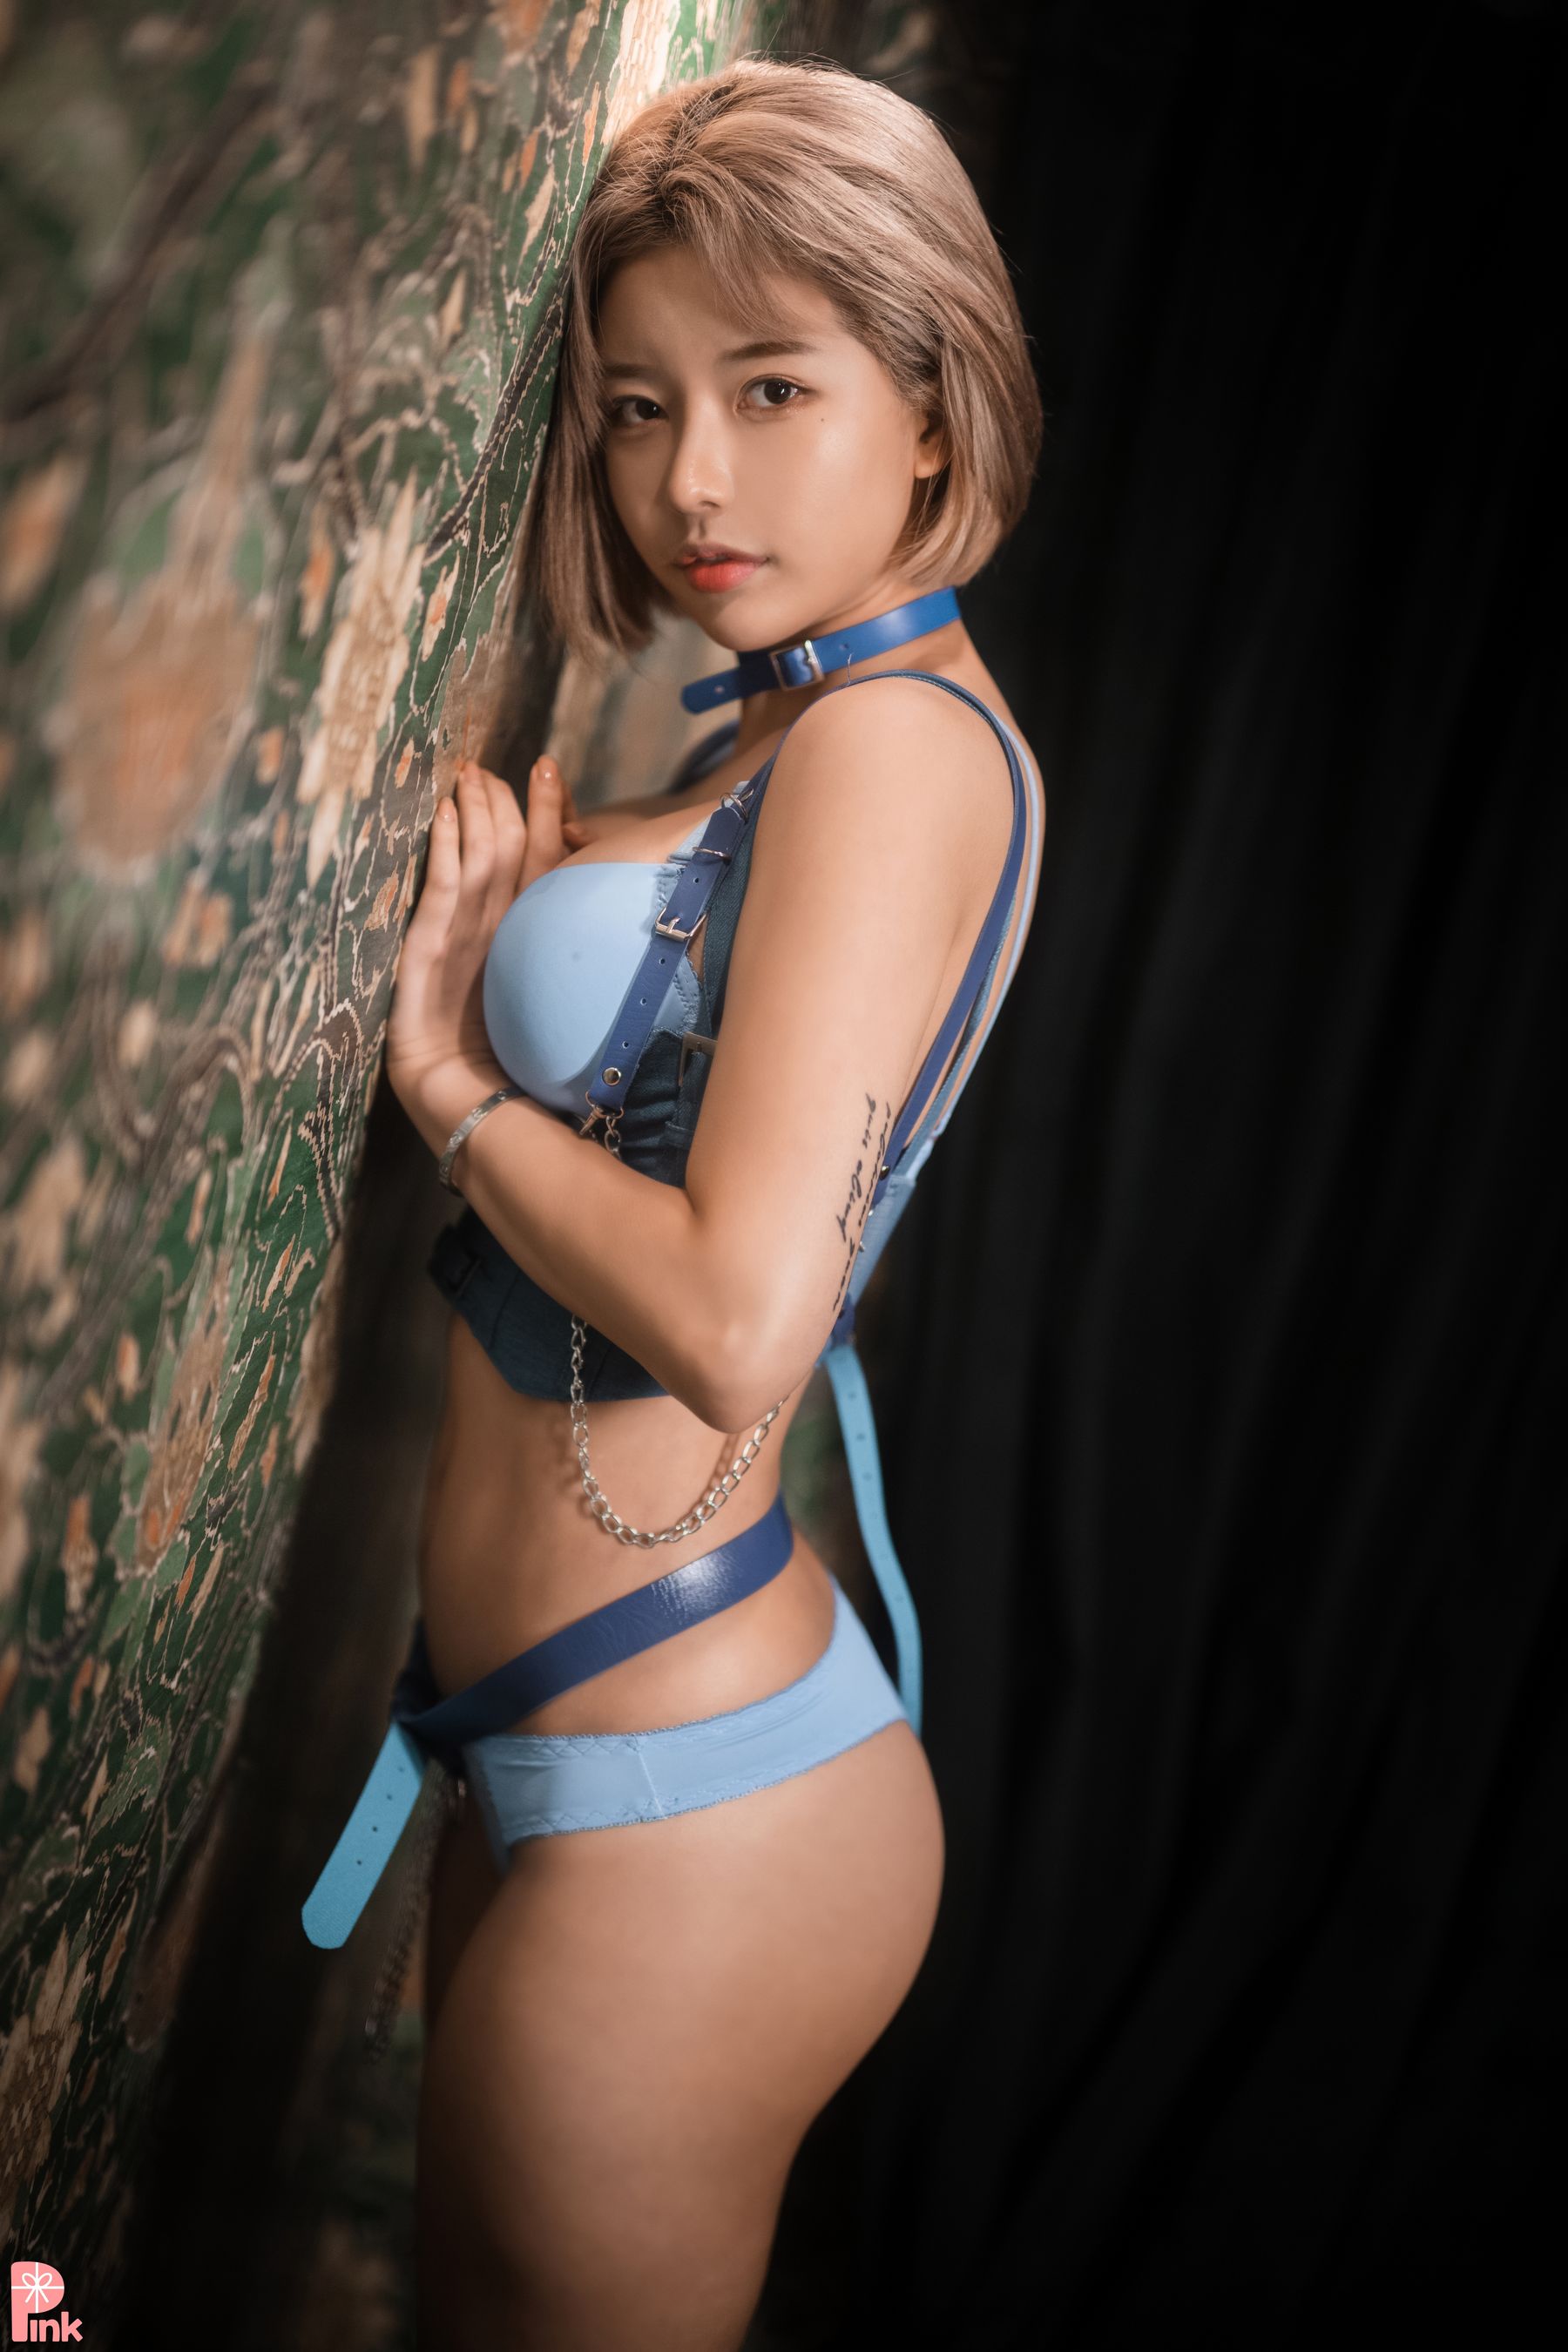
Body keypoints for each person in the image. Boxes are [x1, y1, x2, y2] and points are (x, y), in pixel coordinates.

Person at [314, 54, 1044, 2351]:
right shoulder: (793, 727)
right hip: (594, 1749)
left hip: (695, 1814)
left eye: (771, 387)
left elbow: (738, 1327)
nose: (690, 478)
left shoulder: (893, 747)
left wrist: (454, 1077)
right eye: (638, 409)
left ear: (929, 404)